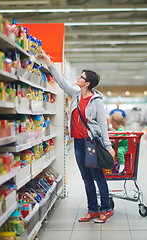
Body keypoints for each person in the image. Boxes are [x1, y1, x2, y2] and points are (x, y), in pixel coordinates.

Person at [37, 53, 115, 223]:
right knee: (86, 177)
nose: (77, 78)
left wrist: (108, 146)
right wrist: (48, 62)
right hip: (78, 143)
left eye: (81, 77)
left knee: (98, 176)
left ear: (87, 83)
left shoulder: (97, 101)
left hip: (92, 143)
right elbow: (60, 81)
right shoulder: (76, 95)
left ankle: (106, 209)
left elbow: (103, 125)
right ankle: (93, 209)